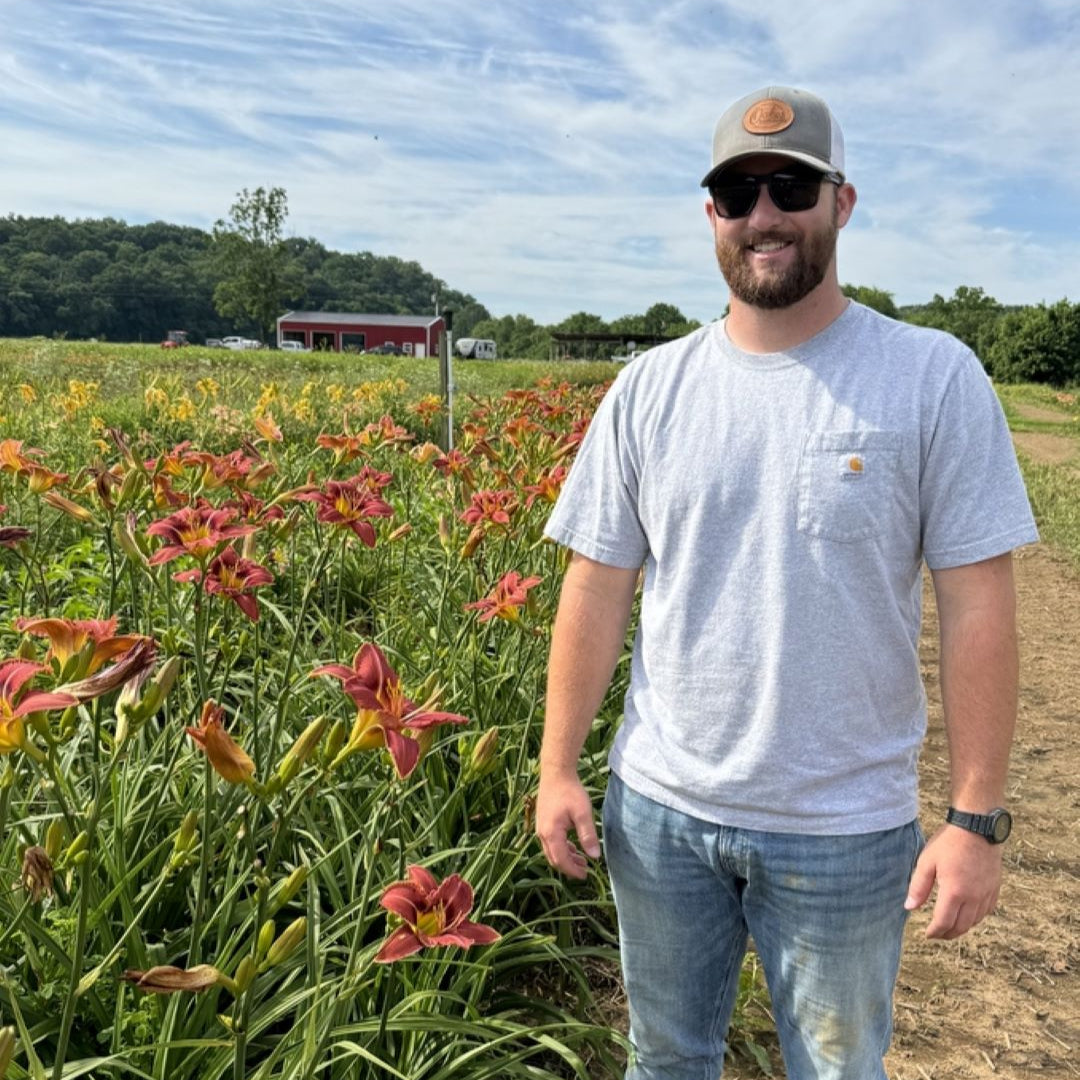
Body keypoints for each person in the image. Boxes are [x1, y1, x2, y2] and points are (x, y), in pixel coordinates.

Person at [536, 85, 1038, 1080]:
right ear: (711, 215)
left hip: (844, 829)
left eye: (791, 188)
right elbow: (595, 587)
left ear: (841, 203)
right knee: (663, 1058)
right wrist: (557, 767)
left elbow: (978, 604)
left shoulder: (932, 376)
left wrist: (975, 818)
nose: (763, 214)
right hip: (660, 813)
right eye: (738, 194)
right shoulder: (649, 389)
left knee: (837, 1069)